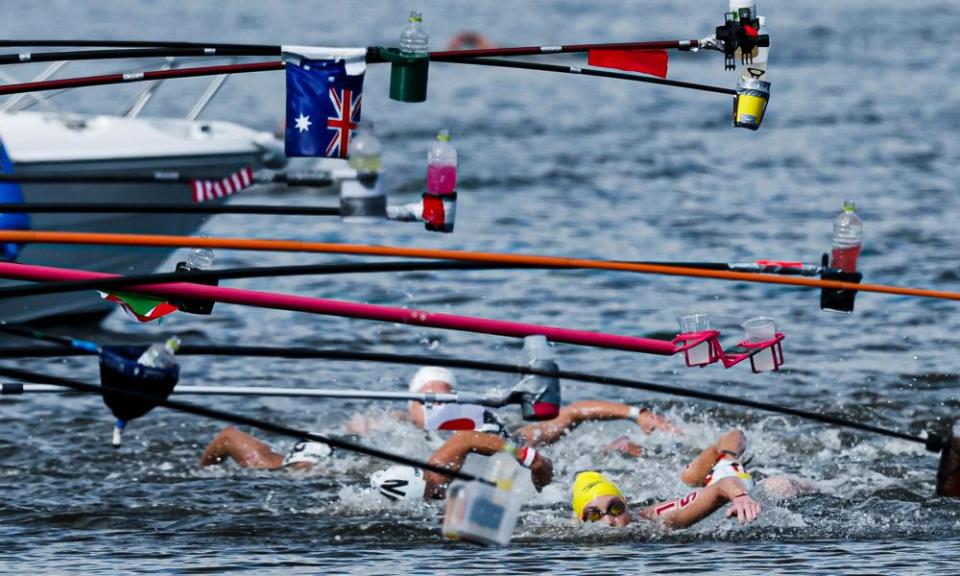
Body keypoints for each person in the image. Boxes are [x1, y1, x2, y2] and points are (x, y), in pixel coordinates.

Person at [199, 365, 676, 470]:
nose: (433, 402)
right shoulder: (394, 425)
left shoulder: (400, 422)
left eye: (437, 397)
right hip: (482, 454)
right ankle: (230, 439)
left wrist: (637, 415)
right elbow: (573, 413)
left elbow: (572, 414)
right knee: (289, 470)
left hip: (482, 452)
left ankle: (230, 442)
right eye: (428, 399)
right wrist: (637, 414)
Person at [570, 429, 812, 530]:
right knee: (688, 477)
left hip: (732, 481)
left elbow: (721, 487)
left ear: (626, 503)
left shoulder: (662, 519)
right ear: (580, 519)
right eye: (593, 515)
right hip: (714, 488)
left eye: (615, 508)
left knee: (779, 485)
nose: (610, 520)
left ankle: (717, 449)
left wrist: (740, 497)